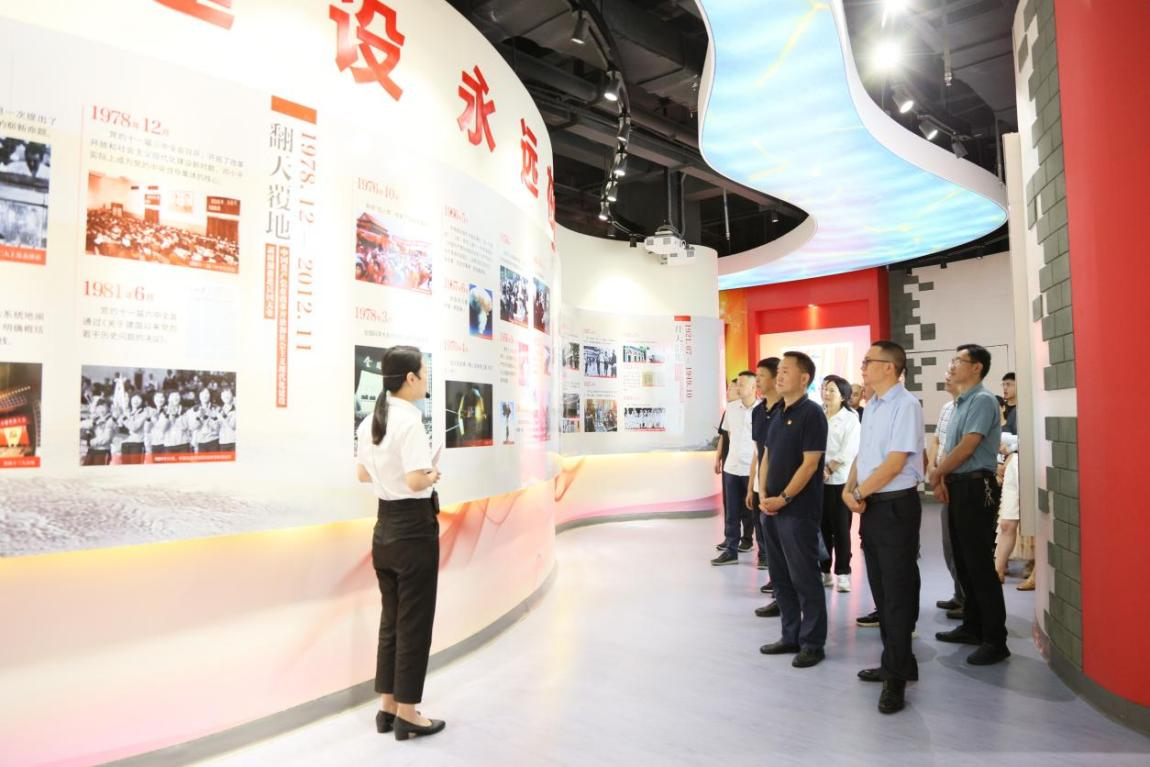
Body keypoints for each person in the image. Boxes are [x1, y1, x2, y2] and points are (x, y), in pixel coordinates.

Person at [355, 346, 446, 741]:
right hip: (413, 530)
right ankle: (409, 712)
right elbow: (414, 481)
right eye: (425, 372)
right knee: (415, 623)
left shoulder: (369, 421)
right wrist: (432, 475)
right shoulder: (410, 422)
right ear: (410, 378)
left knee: (391, 621)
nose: (426, 378)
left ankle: (387, 707)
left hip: (384, 530)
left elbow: (362, 474)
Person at [842, 340, 924, 715]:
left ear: (890, 367)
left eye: (868, 361)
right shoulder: (872, 405)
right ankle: (898, 662)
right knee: (881, 590)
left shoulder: (905, 405)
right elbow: (865, 455)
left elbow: (894, 463)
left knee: (897, 594)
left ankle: (896, 678)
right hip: (873, 504)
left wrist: (859, 492)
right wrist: (849, 489)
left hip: (895, 507)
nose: (863, 367)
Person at [929, 344, 1010, 667]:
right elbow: (950, 447)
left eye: (958, 361)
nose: (952, 365)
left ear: (976, 367)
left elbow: (967, 447)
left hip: (977, 487)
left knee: (979, 565)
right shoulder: (960, 403)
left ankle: (995, 640)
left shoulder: (983, 400)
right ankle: (973, 626)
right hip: (959, 485)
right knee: (963, 562)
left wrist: (937, 473)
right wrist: (943, 478)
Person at [757, 352, 828, 668]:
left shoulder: (812, 414)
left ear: (804, 378)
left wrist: (784, 498)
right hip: (770, 509)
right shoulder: (777, 413)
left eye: (786, 371)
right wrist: (763, 495)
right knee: (780, 577)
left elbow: (810, 464)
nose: (780, 376)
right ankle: (790, 636)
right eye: (779, 371)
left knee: (804, 578)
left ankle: (813, 643)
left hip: (797, 512)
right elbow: (767, 456)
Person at [712, 371, 759, 565]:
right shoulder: (731, 409)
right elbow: (729, 435)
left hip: (752, 468)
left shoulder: (762, 410)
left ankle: (762, 552)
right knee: (731, 512)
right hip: (732, 467)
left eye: (741, 384)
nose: (737, 388)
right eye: (736, 384)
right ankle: (731, 550)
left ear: (754, 387)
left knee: (754, 512)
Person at [927, 376, 964, 617]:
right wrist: (932, 467)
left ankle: (968, 601)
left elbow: (964, 447)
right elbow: (937, 440)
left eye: (953, 371)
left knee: (963, 545)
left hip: (959, 481)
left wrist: (939, 472)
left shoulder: (976, 405)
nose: (947, 376)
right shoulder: (947, 408)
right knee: (949, 545)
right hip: (944, 478)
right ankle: (959, 595)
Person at [820, 375, 860, 592]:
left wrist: (828, 469)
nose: (826, 393)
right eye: (825, 389)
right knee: (822, 528)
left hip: (840, 481)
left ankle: (843, 573)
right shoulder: (818, 414)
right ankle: (824, 571)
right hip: (818, 481)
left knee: (841, 530)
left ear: (843, 396)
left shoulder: (850, 418)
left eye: (832, 390)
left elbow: (849, 450)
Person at [746, 358, 781, 574]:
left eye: (761, 376)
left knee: (782, 537)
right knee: (763, 532)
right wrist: (752, 486)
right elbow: (757, 452)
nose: (757, 380)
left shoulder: (786, 410)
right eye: (756, 376)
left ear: (776, 378)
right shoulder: (757, 412)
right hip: (762, 484)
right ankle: (774, 579)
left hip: (781, 484)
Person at [994, 434, 1020, 582]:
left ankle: (1037, 574)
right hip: (1012, 461)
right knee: (1006, 523)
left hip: (1028, 457)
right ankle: (997, 571)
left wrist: (1011, 448)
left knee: (1038, 521)